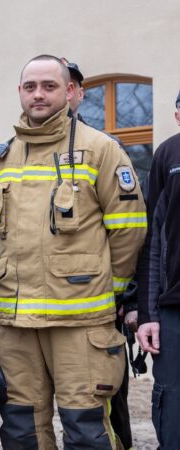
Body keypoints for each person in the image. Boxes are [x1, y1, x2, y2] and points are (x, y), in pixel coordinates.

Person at [0, 55, 146, 449]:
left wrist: (111, 290)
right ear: (20, 92)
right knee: (20, 431)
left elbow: (128, 229)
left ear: (70, 91)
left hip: (82, 321)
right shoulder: (1, 157)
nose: (38, 94)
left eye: (49, 86)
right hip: (16, 324)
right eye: (30, 87)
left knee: (86, 429)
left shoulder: (100, 149)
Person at [64, 57, 136, 450]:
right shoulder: (21, 150)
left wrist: (122, 293)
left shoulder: (106, 147)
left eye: (71, 85)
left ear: (78, 92)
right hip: (50, 303)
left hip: (99, 301)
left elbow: (127, 227)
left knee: (108, 398)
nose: (63, 92)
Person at [137, 90, 180, 449]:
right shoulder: (167, 155)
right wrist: (149, 313)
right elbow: (150, 240)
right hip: (174, 307)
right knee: (172, 407)